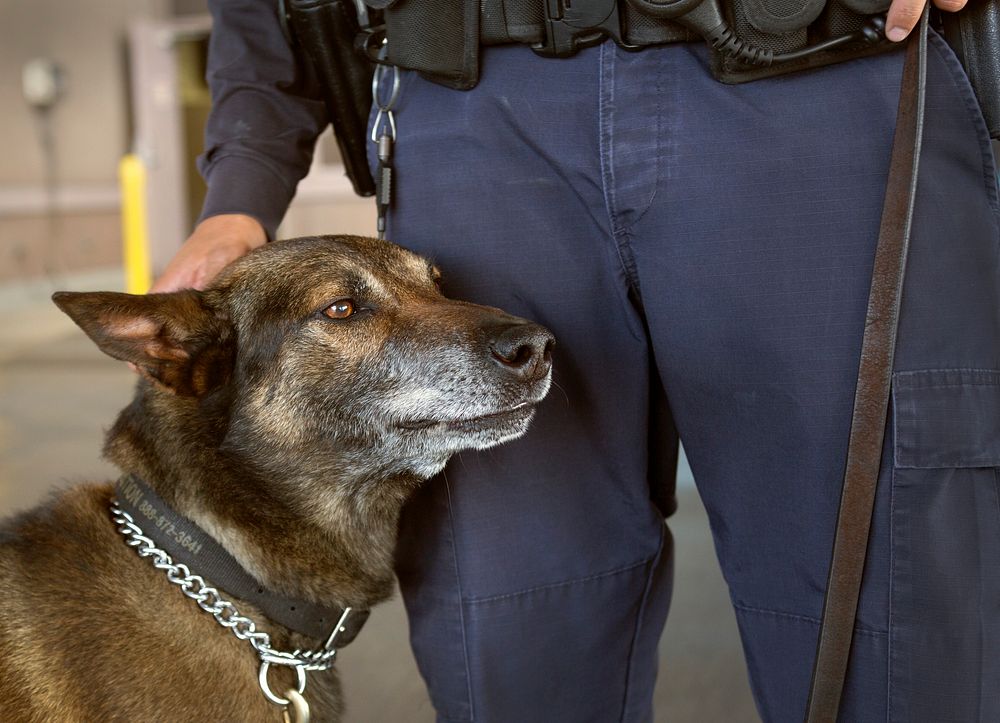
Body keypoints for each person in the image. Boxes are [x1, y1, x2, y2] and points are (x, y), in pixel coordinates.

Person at [153, 0, 1000, 720]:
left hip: (817, 73)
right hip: (471, 103)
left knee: (892, 629)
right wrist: (241, 187)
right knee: (517, 644)